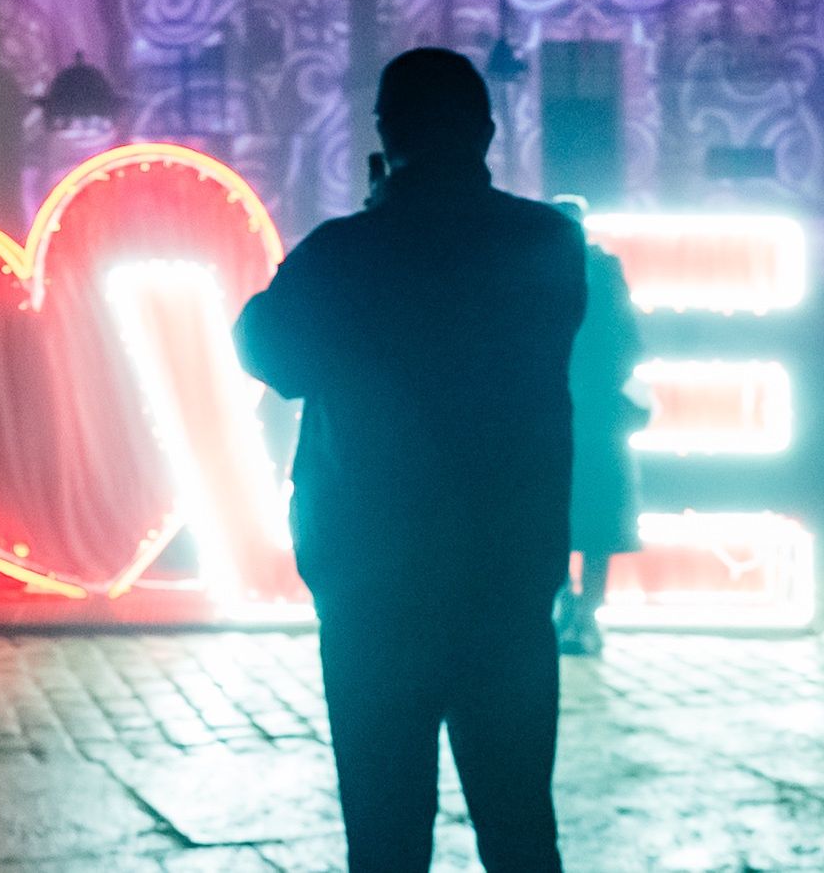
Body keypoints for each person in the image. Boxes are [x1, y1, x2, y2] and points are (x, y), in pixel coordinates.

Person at [235, 48, 586, 873]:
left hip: (373, 578)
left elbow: (266, 350)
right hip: (505, 569)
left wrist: (380, 210)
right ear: (487, 134)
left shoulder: (346, 252)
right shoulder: (548, 242)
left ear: (386, 134)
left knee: (385, 828)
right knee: (519, 821)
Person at [549, 195, 645, 656]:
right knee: (597, 521)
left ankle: (570, 607)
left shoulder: (535, 275)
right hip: (598, 414)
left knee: (554, 516)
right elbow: (629, 339)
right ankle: (584, 614)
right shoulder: (605, 272)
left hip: (550, 410)